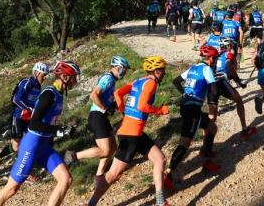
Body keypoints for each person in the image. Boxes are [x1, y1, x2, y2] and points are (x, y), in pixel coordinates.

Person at [0, 60, 81, 206]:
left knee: (66, 179)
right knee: (11, 189)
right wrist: (60, 131)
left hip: (43, 146)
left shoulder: (59, 94)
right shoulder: (48, 94)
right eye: (74, 77)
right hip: (31, 145)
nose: (76, 81)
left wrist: (61, 129)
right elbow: (34, 123)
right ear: (65, 76)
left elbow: (49, 122)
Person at [85, 56, 170, 206]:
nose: (164, 73)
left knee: (159, 159)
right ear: (156, 71)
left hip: (133, 132)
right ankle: (91, 204)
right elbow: (142, 106)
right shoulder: (151, 84)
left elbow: (118, 93)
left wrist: (123, 110)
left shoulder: (139, 81)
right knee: (112, 174)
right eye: (163, 71)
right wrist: (160, 111)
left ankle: (160, 201)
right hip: (131, 135)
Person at [164, 45, 221, 192]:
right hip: (193, 109)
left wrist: (185, 94)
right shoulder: (207, 69)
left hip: (186, 106)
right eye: (214, 59)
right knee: (185, 142)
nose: (215, 62)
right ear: (211, 58)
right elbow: (214, 89)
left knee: (212, 128)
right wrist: (212, 100)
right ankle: (168, 175)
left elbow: (176, 81)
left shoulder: (193, 68)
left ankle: (206, 157)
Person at [63, 56, 130, 181]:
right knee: (105, 150)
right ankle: (73, 156)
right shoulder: (108, 79)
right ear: (118, 67)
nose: (125, 72)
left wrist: (113, 105)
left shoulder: (111, 80)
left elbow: (104, 98)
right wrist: (105, 108)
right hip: (97, 116)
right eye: (124, 69)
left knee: (113, 148)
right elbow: (94, 95)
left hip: (101, 116)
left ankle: (99, 176)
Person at [0, 62, 50, 176]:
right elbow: (16, 99)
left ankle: (28, 172)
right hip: (18, 116)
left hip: (29, 118)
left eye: (46, 75)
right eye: (43, 75)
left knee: (29, 143)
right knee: (16, 147)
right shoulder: (27, 82)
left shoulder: (38, 86)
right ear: (36, 73)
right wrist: (29, 108)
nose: (45, 77)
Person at [207, 38, 257, 140]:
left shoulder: (215, 54)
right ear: (228, 46)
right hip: (222, 83)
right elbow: (230, 67)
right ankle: (245, 129)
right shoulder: (228, 54)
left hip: (211, 83)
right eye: (231, 46)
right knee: (239, 100)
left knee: (212, 115)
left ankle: (207, 144)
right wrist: (239, 82)